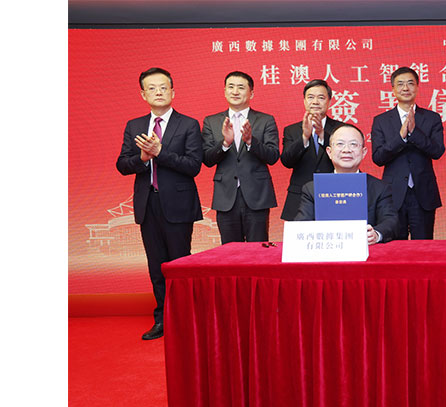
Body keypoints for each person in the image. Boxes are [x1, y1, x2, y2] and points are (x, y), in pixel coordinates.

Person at [116, 67, 203, 340]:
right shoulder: (134, 126)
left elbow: (193, 166)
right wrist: (143, 158)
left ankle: (186, 319)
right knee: (157, 266)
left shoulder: (188, 124)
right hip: (147, 204)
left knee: (180, 265)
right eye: (152, 88)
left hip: (178, 204)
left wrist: (160, 153)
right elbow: (122, 164)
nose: (158, 92)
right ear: (143, 94)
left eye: (163, 87)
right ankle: (163, 319)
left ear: (173, 92)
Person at [201, 71, 280, 243]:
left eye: (241, 87)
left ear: (251, 93)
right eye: (231, 87)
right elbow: (207, 159)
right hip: (226, 196)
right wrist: (225, 143)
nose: (235, 91)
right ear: (225, 91)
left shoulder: (265, 120)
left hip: (257, 196)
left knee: (258, 249)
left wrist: (251, 141)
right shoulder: (211, 121)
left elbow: (273, 156)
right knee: (229, 251)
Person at [371, 66, 445, 240]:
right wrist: (401, 137)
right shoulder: (381, 121)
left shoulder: (432, 118)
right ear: (393, 89)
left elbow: (437, 151)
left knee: (424, 247)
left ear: (417, 87)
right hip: (393, 195)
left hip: (423, 194)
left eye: (410, 83)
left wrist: (414, 133)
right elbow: (378, 157)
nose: (405, 88)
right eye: (400, 84)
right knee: (395, 247)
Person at [294, 124, 398, 244]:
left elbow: (390, 221)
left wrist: (376, 234)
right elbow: (301, 224)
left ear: (363, 152)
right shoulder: (312, 188)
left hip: (366, 251)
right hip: (326, 251)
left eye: (353, 144)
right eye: (340, 144)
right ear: (329, 152)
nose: (346, 150)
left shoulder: (379, 188)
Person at [279, 79, 343, 220]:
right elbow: (287, 161)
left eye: (321, 97)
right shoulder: (291, 130)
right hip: (299, 198)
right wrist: (304, 137)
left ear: (329, 101)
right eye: (310, 97)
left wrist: (322, 136)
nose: (315, 102)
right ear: (304, 101)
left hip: (334, 195)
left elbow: (344, 158)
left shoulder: (341, 129)